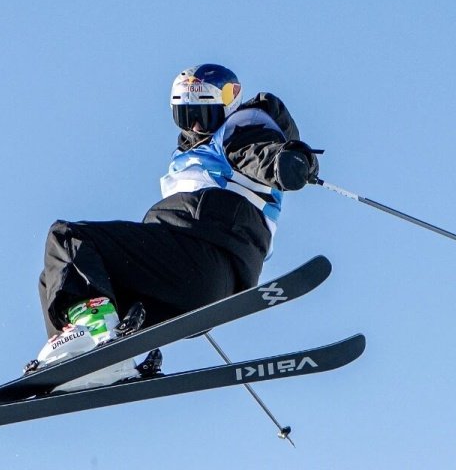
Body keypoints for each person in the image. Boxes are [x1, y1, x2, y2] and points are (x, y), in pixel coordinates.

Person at [29, 64, 320, 392]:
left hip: (201, 254)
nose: (195, 125)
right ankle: (94, 358)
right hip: (202, 290)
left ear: (228, 105)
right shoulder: (194, 152)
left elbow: (259, 152)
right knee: (60, 278)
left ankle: (94, 339)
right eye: (185, 116)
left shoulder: (242, 125)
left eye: (204, 114)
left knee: (67, 239)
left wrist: (288, 164)